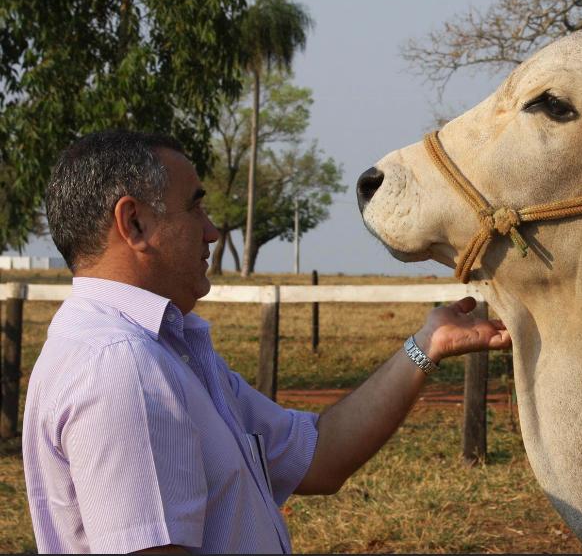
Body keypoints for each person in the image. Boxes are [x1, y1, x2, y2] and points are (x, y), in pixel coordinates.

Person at [22, 129, 511, 554]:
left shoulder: (165, 352)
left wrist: (428, 344)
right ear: (134, 224)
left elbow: (320, 457)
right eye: (195, 206)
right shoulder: (122, 368)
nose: (212, 230)